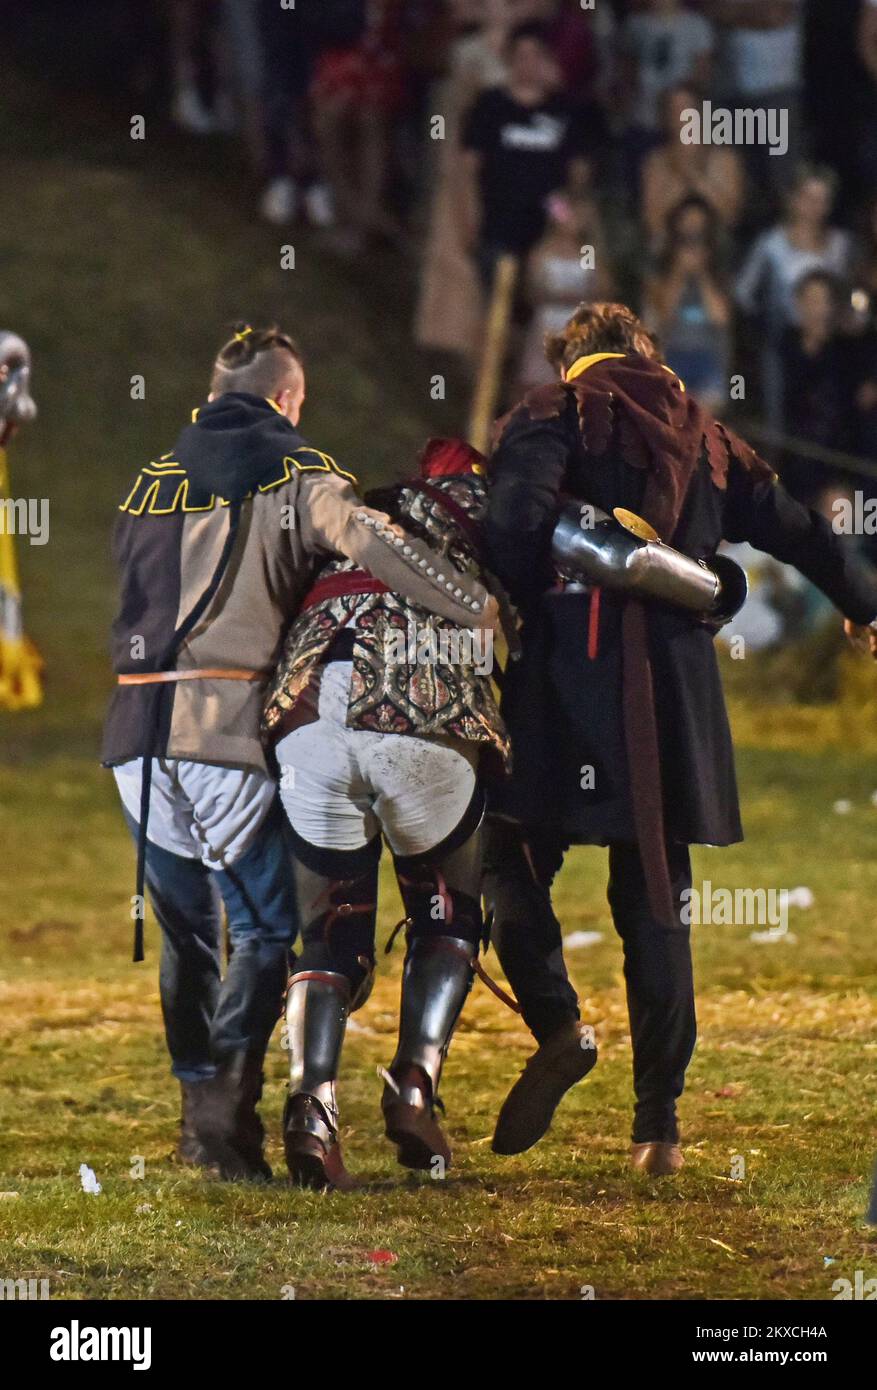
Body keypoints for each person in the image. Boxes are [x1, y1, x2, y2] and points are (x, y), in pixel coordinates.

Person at [480, 301, 877, 1175]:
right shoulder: (705, 433)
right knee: (658, 899)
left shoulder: (551, 413)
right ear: (647, 355)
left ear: (571, 357)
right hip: (671, 687)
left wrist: (512, 602)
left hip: (566, 674)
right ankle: (656, 1130)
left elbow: (512, 521)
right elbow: (799, 528)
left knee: (504, 852)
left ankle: (559, 1024)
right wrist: (862, 604)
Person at [101, 324, 493, 1182]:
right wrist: (474, 610)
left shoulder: (147, 481)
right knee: (269, 929)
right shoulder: (297, 473)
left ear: (211, 394)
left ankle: (198, 1110)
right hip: (225, 729)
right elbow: (373, 546)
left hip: (133, 741)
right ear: (287, 399)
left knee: (185, 938)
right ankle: (222, 1126)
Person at [262, 437, 507, 1189]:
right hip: (426, 717)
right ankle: (413, 1087)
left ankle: (311, 1107)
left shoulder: (347, 512)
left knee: (326, 934)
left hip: (309, 715)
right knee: (445, 917)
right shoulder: (496, 511)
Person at [460, 20, 593, 293]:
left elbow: (579, 170)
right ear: (509, 60)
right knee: (497, 301)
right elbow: (469, 167)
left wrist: (571, 216)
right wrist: (468, 213)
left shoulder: (564, 109)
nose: (529, 64)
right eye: (521, 56)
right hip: (498, 219)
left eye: (536, 56)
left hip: (549, 219)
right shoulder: (491, 104)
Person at [735, 164, 852, 429]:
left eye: (823, 200)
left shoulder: (840, 245)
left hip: (829, 345)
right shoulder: (772, 244)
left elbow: (847, 293)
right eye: (809, 198)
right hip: (783, 344)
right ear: (795, 200)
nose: (815, 207)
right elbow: (743, 293)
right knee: (783, 418)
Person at [643, 195, 732, 415]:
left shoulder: (719, 268)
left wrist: (701, 274)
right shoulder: (661, 267)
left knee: (704, 425)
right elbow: (663, 313)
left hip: (709, 355)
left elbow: (721, 317)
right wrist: (679, 274)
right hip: (672, 353)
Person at [518, 192, 614, 392]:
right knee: (540, 384)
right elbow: (532, 291)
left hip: (578, 328)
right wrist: (556, 297)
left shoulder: (587, 252)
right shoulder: (543, 251)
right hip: (546, 327)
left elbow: (600, 287)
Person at [641, 83, 745, 250]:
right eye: (674, 109)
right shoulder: (656, 161)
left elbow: (731, 217)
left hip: (714, 245)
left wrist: (696, 178)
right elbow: (652, 221)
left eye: (686, 108)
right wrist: (681, 182)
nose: (680, 115)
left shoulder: (725, 159)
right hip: (670, 246)